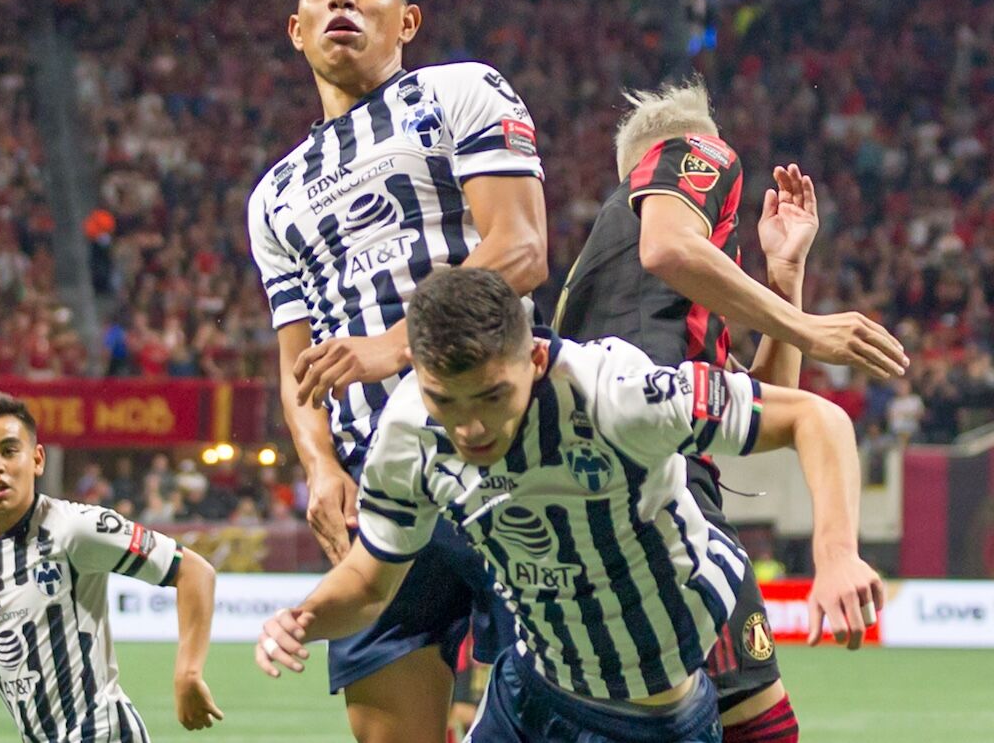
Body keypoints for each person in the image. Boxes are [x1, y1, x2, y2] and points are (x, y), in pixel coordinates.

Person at [256, 268, 885, 743]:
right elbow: (370, 582)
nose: (470, 428)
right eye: (446, 400)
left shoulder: (617, 394)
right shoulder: (409, 432)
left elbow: (815, 418)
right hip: (532, 686)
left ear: (533, 359)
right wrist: (304, 618)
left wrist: (835, 556)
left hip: (653, 713)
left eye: (491, 396)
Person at [246, 0, 546, 742]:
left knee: (547, 714)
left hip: (500, 449)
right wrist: (317, 465)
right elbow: (297, 358)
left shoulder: (458, 92)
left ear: (405, 20)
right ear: (296, 28)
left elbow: (520, 249)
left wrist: (388, 350)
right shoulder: (273, 194)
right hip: (377, 489)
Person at [553, 79, 907, 741]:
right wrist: (813, 330)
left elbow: (767, 398)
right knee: (761, 730)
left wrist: (785, 276)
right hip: (661, 489)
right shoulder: (697, 151)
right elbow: (670, 244)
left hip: (589, 504)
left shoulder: (621, 290)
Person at [0, 391, 223, 740]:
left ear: (37, 459)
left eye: (9, 451)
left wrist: (187, 674)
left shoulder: (76, 528)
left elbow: (194, 571)